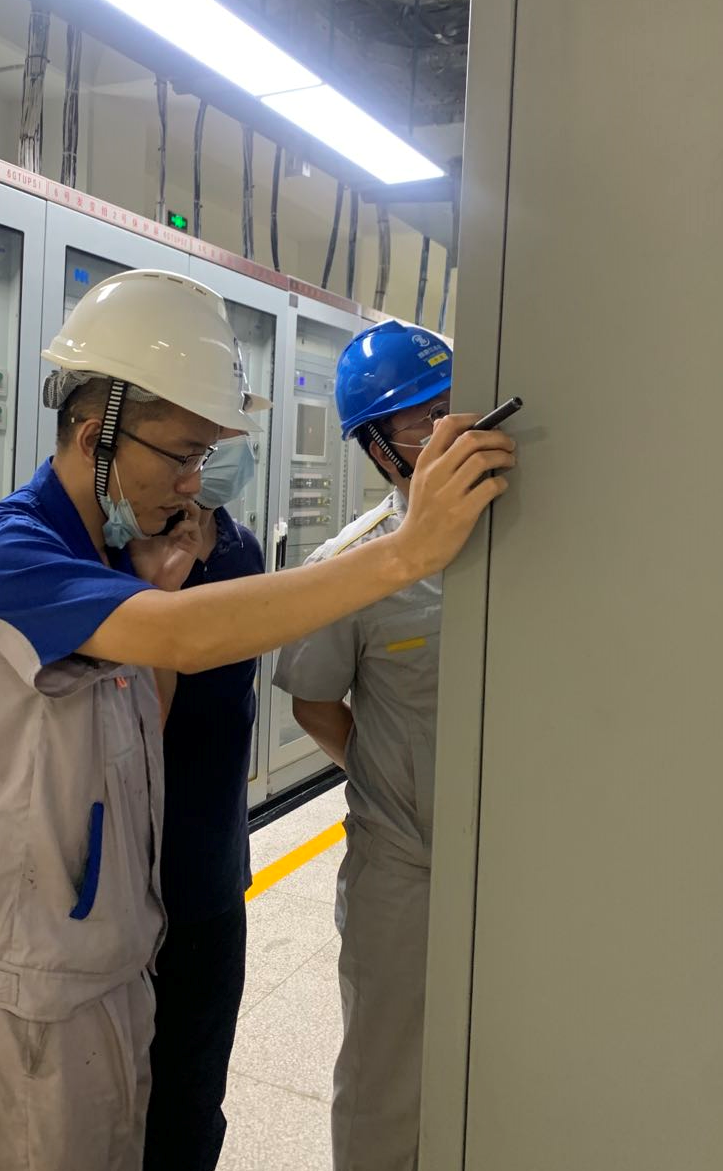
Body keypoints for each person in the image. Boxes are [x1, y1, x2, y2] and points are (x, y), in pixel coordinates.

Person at [0, 272, 515, 1171]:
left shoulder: (126, 555)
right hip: (26, 975)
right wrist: (405, 553)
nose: (197, 482)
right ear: (97, 435)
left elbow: (141, 730)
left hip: (116, 949)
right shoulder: (8, 549)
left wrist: (157, 589)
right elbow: (184, 638)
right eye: (183, 454)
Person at [273, 318, 457, 1171]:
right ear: (379, 449)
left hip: (526, 857)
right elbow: (316, 704)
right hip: (405, 864)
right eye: (423, 420)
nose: (447, 429)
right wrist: (395, 786)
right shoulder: (352, 567)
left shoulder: (532, 541)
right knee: (388, 1080)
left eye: (454, 406)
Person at [139, 436, 264, 1171]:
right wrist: (163, 592)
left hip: (214, 867)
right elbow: (135, 721)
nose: (221, 454)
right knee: (125, 1095)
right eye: (200, 440)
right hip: (135, 876)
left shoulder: (243, 550)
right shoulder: (123, 554)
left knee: (193, 1091)